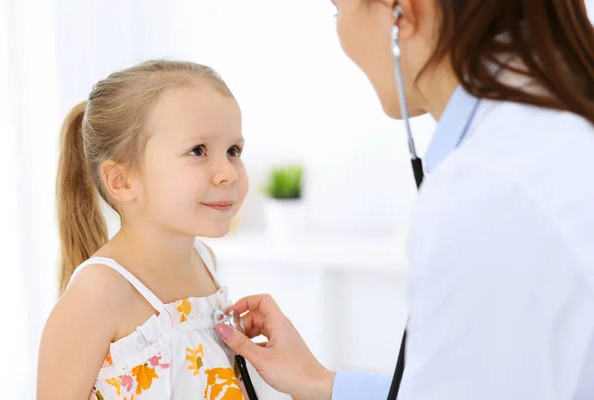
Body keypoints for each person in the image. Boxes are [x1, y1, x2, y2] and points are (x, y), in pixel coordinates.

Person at [215, 0, 594, 399]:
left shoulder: (485, 189)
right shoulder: (550, 133)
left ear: (403, 13)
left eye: (336, 8)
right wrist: (320, 383)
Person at [37, 60, 250, 399]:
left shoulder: (203, 260)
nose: (229, 173)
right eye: (198, 150)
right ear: (122, 181)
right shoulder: (99, 293)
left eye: (233, 150)